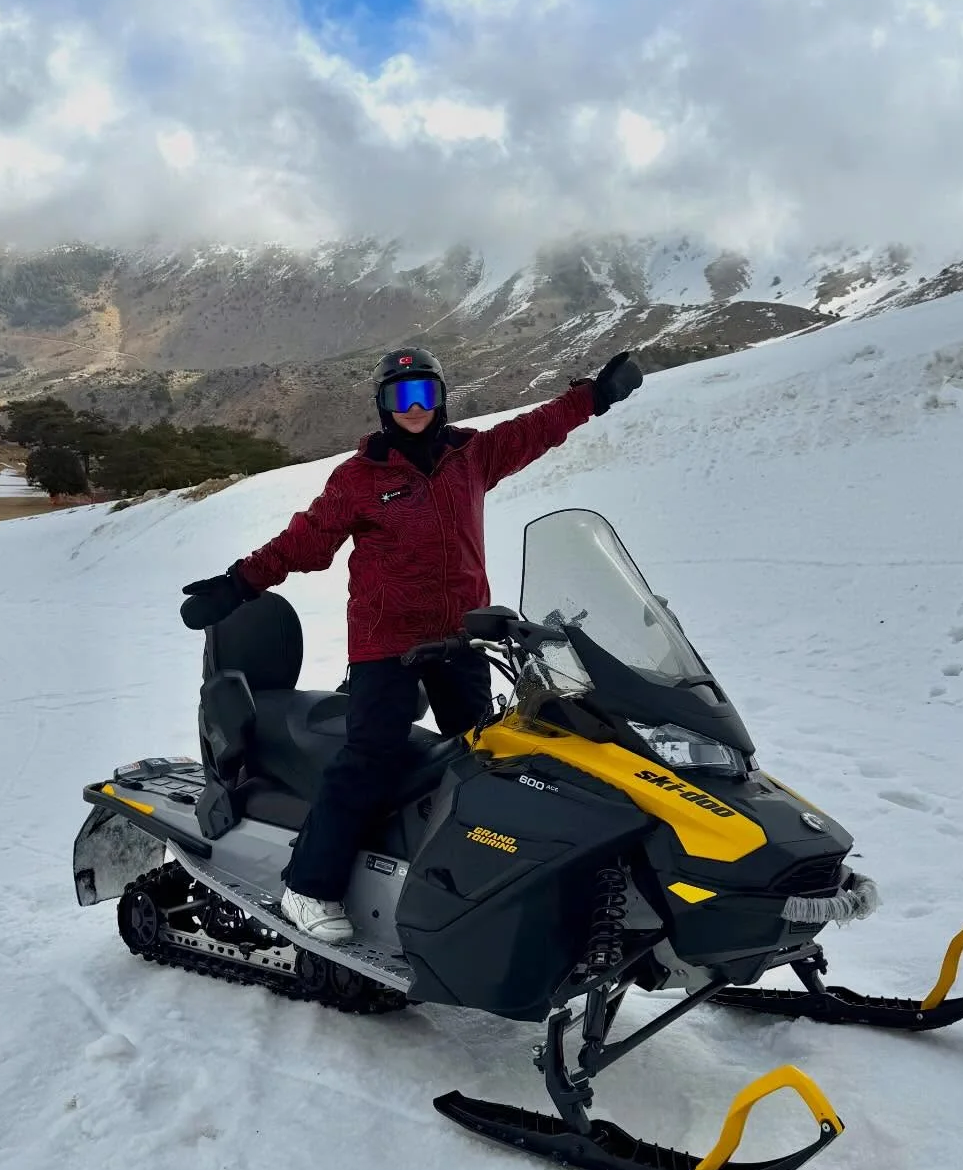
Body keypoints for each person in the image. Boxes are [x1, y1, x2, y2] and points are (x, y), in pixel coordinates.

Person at [180, 345, 644, 943]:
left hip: (461, 638)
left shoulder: (470, 455)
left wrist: (594, 397)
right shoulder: (359, 478)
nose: (415, 407)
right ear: (383, 405)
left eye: (425, 393)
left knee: (483, 756)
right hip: (387, 643)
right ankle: (309, 885)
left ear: (441, 397)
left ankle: (465, 880)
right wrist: (238, 583)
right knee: (371, 756)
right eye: (401, 396)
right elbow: (306, 541)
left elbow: (535, 430)